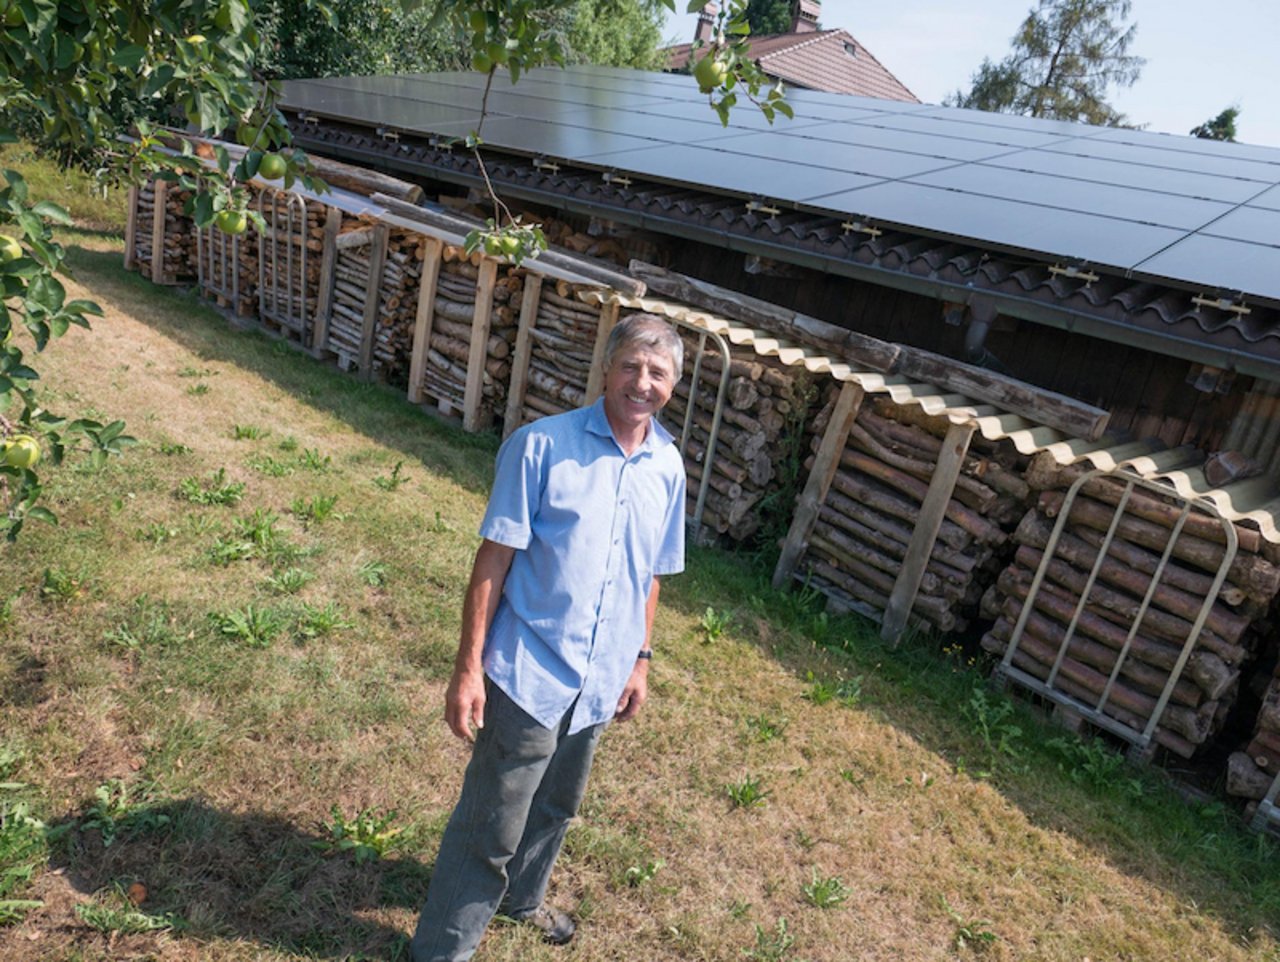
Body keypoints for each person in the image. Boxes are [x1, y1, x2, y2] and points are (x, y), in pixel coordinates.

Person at [410, 313, 687, 962]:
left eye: (658, 373)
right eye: (631, 367)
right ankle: (441, 951)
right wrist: (468, 668)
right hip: (529, 671)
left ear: (673, 384)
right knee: (492, 825)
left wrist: (640, 661)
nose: (642, 383)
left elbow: (650, 574)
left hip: (600, 682)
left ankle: (520, 901)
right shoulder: (542, 446)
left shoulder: (667, 467)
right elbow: (493, 562)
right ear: (606, 369)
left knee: (557, 807)